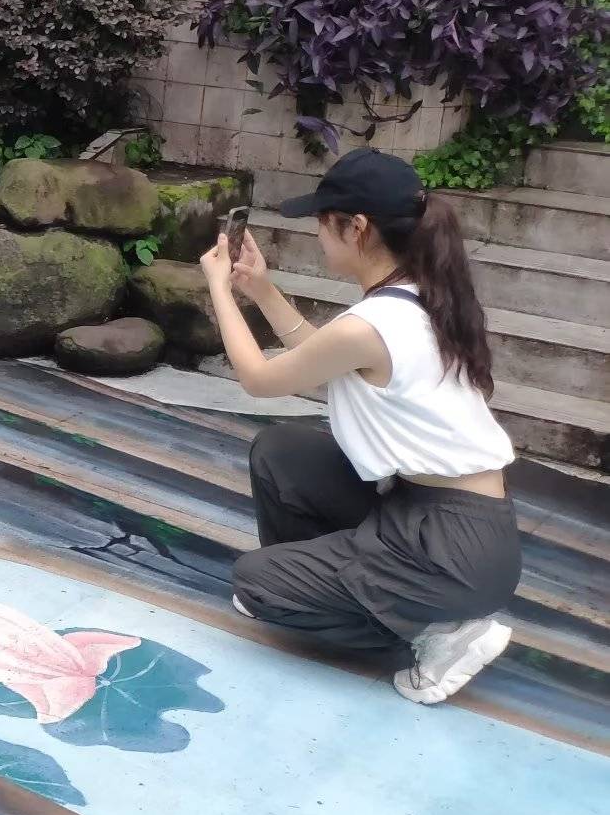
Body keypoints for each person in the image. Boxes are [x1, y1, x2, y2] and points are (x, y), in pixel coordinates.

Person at [200, 148, 520, 705]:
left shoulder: (375, 322)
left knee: (257, 586)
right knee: (283, 450)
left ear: (357, 228)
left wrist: (219, 290)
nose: (318, 235)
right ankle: (338, 584)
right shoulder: (415, 296)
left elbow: (257, 378)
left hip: (450, 551)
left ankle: (438, 634)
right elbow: (325, 356)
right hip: (442, 521)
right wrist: (261, 290)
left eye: (324, 223)